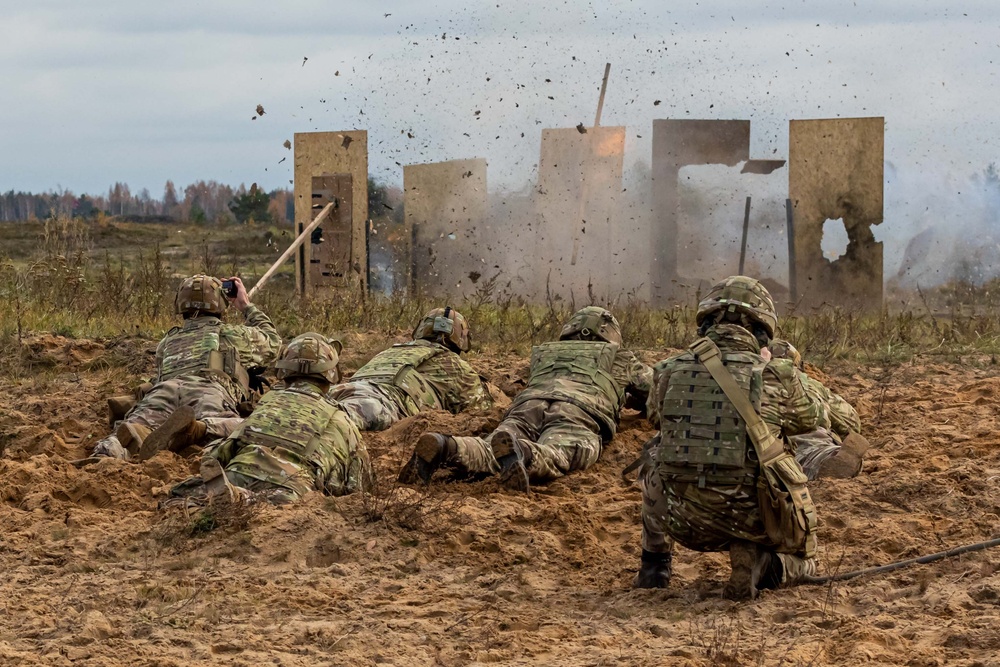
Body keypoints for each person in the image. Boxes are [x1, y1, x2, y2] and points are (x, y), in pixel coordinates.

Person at [635, 276, 825, 599]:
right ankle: (765, 565)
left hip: (681, 522)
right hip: (754, 520)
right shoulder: (776, 375)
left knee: (654, 455)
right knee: (806, 562)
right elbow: (816, 416)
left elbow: (655, 415)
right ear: (763, 331)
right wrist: (783, 369)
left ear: (706, 323)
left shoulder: (667, 371)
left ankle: (654, 566)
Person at [400, 306, 652, 490]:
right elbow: (657, 393)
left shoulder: (544, 352)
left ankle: (448, 446)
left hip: (528, 404)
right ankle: (523, 452)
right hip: (579, 411)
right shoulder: (621, 357)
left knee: (492, 447)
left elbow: (516, 382)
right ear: (610, 335)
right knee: (560, 453)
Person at [88, 275, 280, 461]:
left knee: (135, 424)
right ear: (220, 303)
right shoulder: (230, 334)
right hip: (209, 390)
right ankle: (198, 430)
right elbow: (273, 343)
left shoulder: (168, 341)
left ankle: (112, 448)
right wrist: (245, 305)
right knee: (239, 429)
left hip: (164, 390)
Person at [169, 333, 371, 504]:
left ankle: (234, 495)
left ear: (284, 371)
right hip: (292, 488)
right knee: (284, 498)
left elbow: (224, 450)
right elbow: (357, 487)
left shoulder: (268, 403)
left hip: (239, 471)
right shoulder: (343, 420)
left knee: (184, 494)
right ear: (332, 374)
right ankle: (243, 498)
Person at [328, 307, 493, 431]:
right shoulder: (459, 367)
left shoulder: (393, 350)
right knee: (339, 421)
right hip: (382, 403)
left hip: (343, 390)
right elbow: (480, 413)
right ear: (461, 339)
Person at [767, 339, 866, 480]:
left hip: (769, 442)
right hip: (811, 438)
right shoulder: (810, 384)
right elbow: (850, 421)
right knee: (813, 449)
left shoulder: (753, 378)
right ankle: (827, 457)